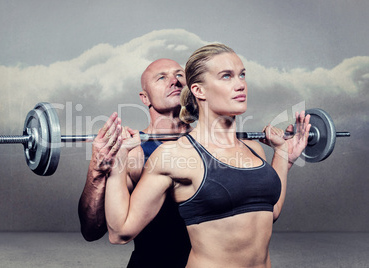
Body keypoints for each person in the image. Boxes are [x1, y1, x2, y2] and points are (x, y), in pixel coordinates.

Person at [104, 43, 311, 267]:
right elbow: (120, 232)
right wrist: (118, 161)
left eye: (242, 75)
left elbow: (269, 212)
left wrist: (283, 155)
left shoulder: (254, 149)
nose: (240, 84)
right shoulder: (174, 155)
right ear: (198, 90)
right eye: (226, 76)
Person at [78, 58, 192, 267]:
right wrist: (96, 170)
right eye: (162, 77)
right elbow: (92, 230)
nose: (174, 82)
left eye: (179, 75)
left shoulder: (212, 144)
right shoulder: (131, 151)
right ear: (145, 98)